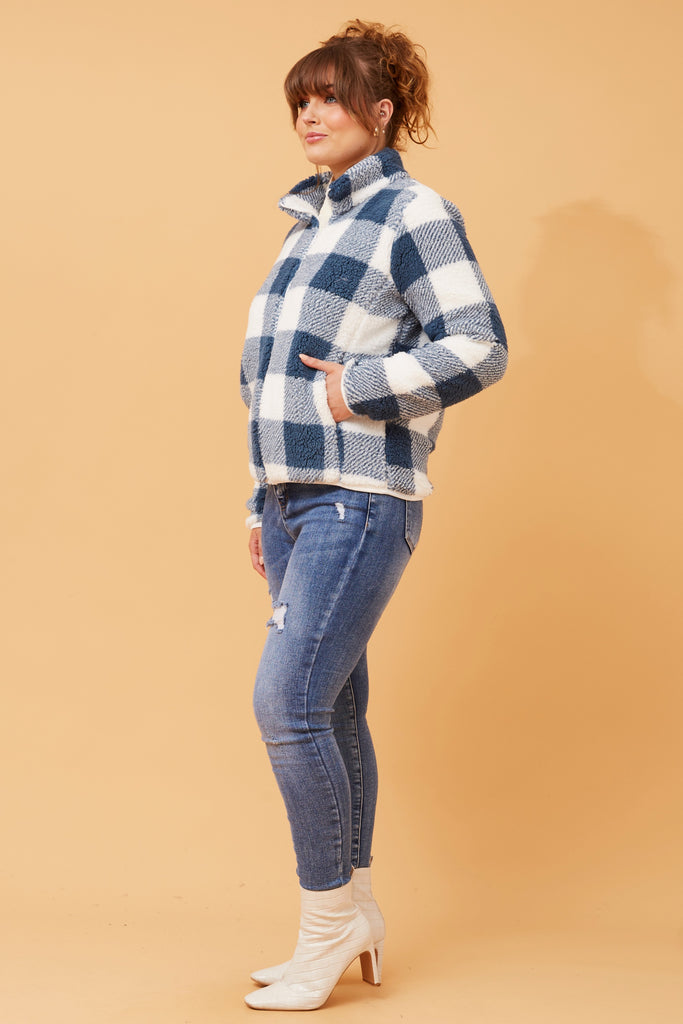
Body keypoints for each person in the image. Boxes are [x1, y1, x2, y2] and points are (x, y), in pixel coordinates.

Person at [240, 19, 507, 1011]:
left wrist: (360, 388)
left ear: (381, 110)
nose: (309, 114)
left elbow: (476, 344)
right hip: (295, 500)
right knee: (335, 706)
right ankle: (352, 909)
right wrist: (259, 501)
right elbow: (271, 383)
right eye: (299, 100)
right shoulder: (306, 227)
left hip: (358, 497)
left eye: (329, 97)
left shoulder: (412, 211)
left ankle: (325, 928)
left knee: (289, 704)